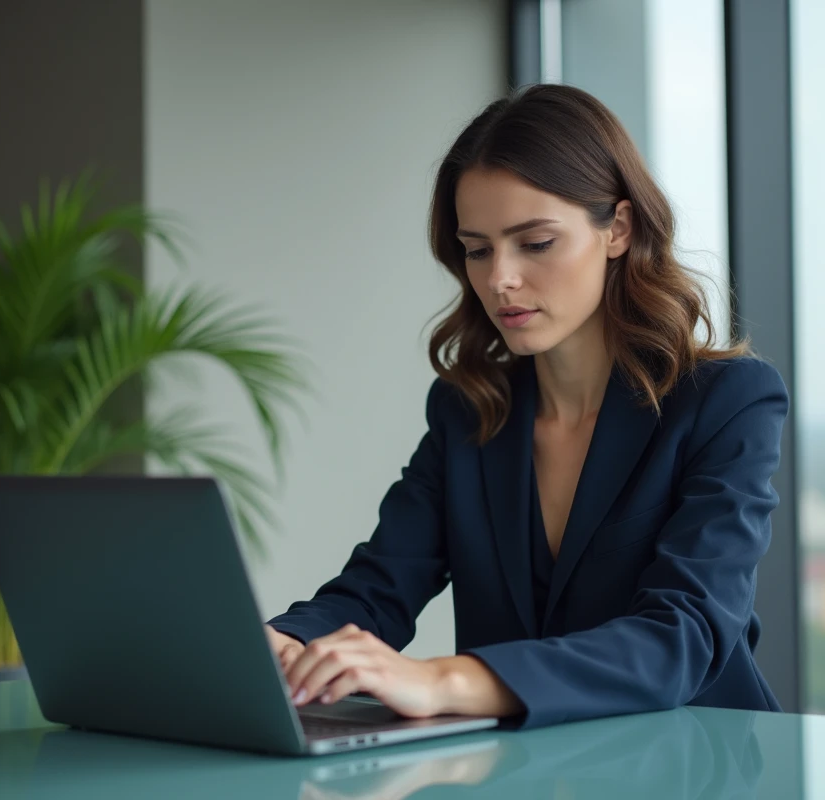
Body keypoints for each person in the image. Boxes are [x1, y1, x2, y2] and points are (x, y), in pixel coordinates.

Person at [265, 83, 788, 730]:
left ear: (618, 229)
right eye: (477, 249)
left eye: (534, 243)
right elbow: (378, 589)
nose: (498, 279)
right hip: (526, 773)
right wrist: (278, 646)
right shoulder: (469, 411)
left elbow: (681, 639)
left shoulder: (727, 402)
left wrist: (442, 678)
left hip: (696, 766)